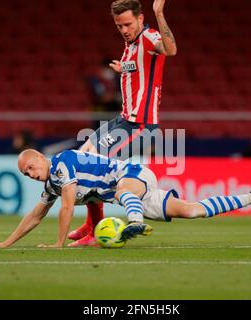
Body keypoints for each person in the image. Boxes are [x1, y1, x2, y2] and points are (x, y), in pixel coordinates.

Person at [0, 149, 251, 249]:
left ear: (40, 158)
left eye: (30, 168)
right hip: (134, 193)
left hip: (132, 174)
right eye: (25, 174)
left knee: (123, 192)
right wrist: (5, 243)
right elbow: (35, 216)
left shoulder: (62, 163)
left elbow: (68, 206)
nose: (30, 174)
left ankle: (134, 224)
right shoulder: (51, 183)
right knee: (192, 211)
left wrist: (59, 244)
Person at [71, 0, 178, 247]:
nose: (124, 30)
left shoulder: (150, 36)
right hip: (123, 119)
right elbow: (140, 68)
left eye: (128, 24)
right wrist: (125, 69)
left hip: (140, 125)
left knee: (94, 168)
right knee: (83, 156)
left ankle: (94, 231)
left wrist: (159, 14)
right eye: (119, 26)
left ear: (141, 19)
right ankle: (91, 225)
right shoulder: (130, 44)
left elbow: (170, 50)